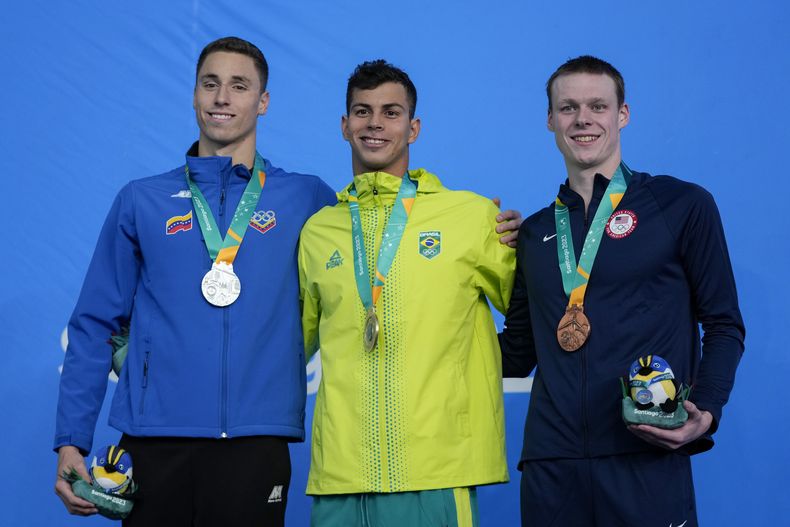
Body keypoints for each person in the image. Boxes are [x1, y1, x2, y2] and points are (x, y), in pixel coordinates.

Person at [54, 39, 522, 526]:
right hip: (154, 441)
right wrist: (72, 440)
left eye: (239, 86)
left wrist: (497, 232)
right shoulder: (142, 200)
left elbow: (387, 237)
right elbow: (93, 325)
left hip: (257, 444)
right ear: (193, 94)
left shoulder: (309, 201)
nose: (222, 98)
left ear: (263, 101)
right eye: (210, 84)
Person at [499, 55, 745, 527]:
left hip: (646, 451)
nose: (583, 119)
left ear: (622, 115)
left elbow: (723, 324)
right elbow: (516, 352)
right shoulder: (533, 233)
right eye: (568, 107)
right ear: (550, 119)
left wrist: (707, 411)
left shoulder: (680, 205)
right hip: (553, 467)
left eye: (597, 105)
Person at [298, 60, 516, 527]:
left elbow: (540, 314)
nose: (375, 123)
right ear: (344, 125)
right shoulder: (319, 231)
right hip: (340, 475)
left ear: (413, 128)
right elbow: (285, 346)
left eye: (391, 112)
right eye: (362, 111)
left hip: (437, 473)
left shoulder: (471, 216)